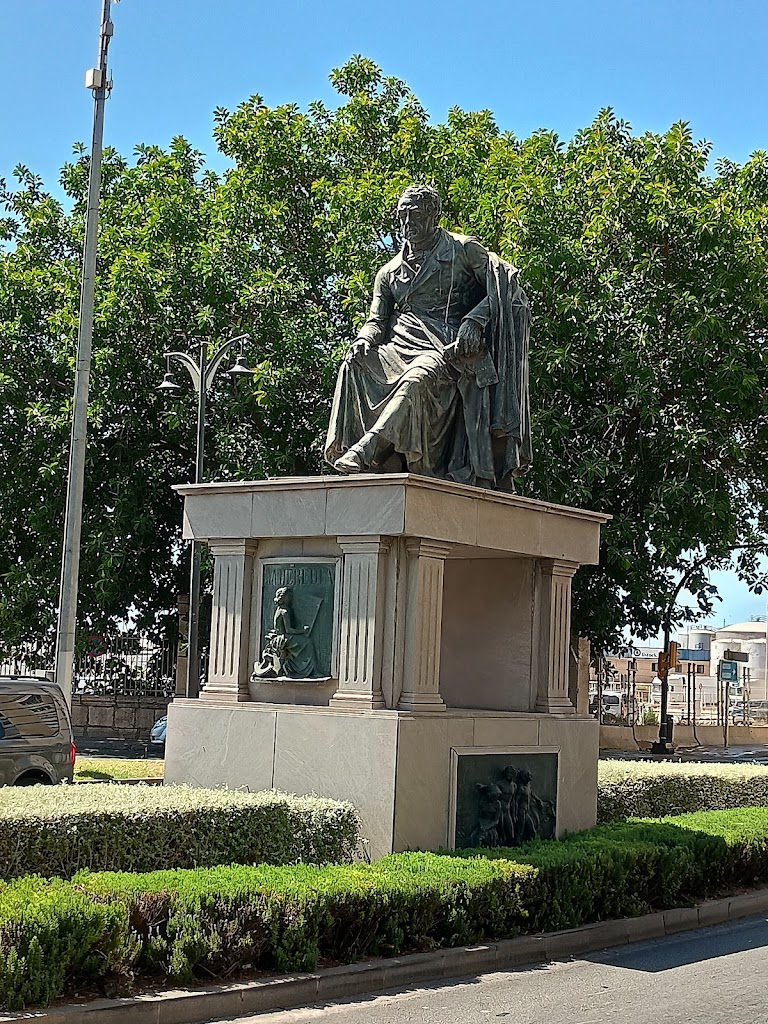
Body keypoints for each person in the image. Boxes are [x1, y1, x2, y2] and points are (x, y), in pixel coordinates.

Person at [325, 184, 532, 490]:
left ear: (434, 215)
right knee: (353, 364)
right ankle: (357, 452)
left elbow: (506, 287)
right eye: (403, 214)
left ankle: (366, 449)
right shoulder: (389, 271)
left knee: (417, 378)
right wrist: (363, 339)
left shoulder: (461, 250)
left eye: (416, 213)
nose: (408, 221)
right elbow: (376, 320)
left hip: (445, 345)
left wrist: (474, 321)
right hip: (399, 346)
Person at [252, 587, 318, 679]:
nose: (291, 598)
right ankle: (305, 670)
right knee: (307, 642)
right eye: (289, 596)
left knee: (303, 642)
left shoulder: (279, 609)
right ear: (285, 598)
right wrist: (303, 630)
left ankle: (293, 668)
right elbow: (289, 630)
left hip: (279, 638)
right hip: (284, 639)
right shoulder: (285, 611)